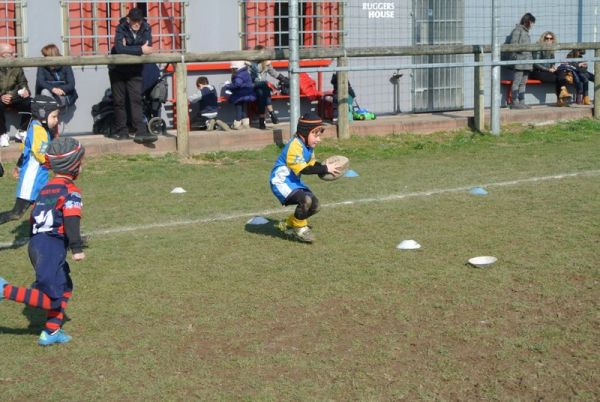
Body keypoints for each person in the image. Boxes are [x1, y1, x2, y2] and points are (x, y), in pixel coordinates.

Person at [1, 136, 85, 346]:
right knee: (52, 298)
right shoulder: (70, 191)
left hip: (37, 242)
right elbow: (71, 219)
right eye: (81, 162)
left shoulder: (46, 189)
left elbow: (34, 217)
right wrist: (76, 247)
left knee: (65, 285)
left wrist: (37, 242)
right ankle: (4, 290)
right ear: (74, 165)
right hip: (51, 246)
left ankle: (51, 331)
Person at [269, 112, 340, 243]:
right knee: (306, 200)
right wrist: (325, 169)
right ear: (304, 132)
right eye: (315, 135)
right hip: (281, 182)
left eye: (319, 135)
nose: (318, 139)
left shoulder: (308, 147)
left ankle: (289, 223)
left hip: (294, 182)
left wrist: (324, 166)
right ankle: (300, 229)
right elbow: (305, 169)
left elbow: (311, 164)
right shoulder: (295, 145)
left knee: (315, 206)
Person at [0, 95, 59, 225]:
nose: (56, 120)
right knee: (16, 213)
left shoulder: (36, 126)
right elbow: (40, 155)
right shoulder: (40, 132)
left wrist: (19, 166)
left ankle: (69, 239)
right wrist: (59, 160)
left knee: (52, 208)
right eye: (54, 117)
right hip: (32, 181)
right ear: (43, 115)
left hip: (39, 179)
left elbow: (26, 150)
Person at [109, 7, 157, 144]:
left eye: (139, 21)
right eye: (134, 21)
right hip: (117, 69)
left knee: (136, 99)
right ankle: (122, 131)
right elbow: (119, 48)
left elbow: (149, 48)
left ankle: (140, 131)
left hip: (135, 69)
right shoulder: (121, 27)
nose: (137, 24)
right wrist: (140, 49)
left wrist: (128, 48)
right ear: (129, 19)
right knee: (119, 101)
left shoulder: (146, 27)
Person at [0, 42, 31, 147]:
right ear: (2, 54)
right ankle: (2, 134)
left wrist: (25, 90)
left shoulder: (16, 66)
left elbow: (23, 83)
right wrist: (1, 96)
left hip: (14, 97)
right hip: (1, 98)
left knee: (30, 102)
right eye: (11, 53)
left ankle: (22, 131)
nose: (14, 56)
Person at [530, 32, 571, 107]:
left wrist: (553, 67)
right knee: (559, 78)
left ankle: (563, 91)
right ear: (543, 39)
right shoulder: (538, 47)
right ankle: (560, 99)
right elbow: (535, 63)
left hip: (547, 71)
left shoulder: (551, 49)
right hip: (537, 72)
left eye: (551, 38)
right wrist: (548, 69)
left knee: (560, 71)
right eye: (547, 38)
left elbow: (552, 62)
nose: (549, 40)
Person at [35, 44, 79, 108]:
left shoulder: (65, 64)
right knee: (45, 92)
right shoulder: (42, 64)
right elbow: (40, 81)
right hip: (49, 94)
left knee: (52, 102)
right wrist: (53, 89)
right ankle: (53, 114)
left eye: (45, 55)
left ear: (51, 56)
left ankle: (53, 113)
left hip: (63, 95)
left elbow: (71, 84)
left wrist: (59, 89)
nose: (43, 57)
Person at [251, 45, 283, 129]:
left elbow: (273, 73)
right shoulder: (252, 62)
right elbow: (256, 71)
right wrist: (265, 64)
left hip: (263, 86)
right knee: (263, 90)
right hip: (253, 85)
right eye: (262, 52)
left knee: (264, 92)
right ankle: (272, 114)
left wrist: (283, 78)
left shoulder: (266, 62)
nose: (264, 54)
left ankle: (262, 121)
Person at [508, 13, 536, 109]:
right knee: (517, 82)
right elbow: (513, 45)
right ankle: (514, 102)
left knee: (523, 83)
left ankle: (522, 102)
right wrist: (520, 54)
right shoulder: (517, 30)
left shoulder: (526, 32)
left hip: (527, 63)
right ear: (527, 21)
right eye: (532, 22)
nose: (533, 25)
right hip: (519, 62)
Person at [224, 61, 256, 130]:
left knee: (238, 108)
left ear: (236, 68)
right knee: (243, 109)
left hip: (239, 95)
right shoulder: (245, 73)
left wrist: (228, 86)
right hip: (246, 94)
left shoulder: (239, 75)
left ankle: (237, 124)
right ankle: (245, 124)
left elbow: (237, 84)